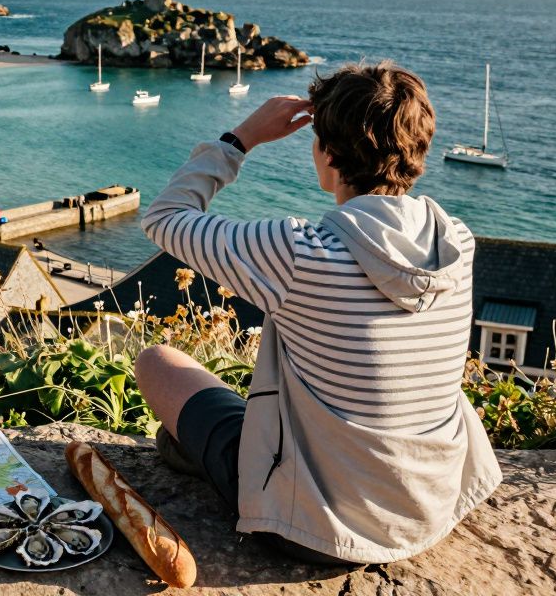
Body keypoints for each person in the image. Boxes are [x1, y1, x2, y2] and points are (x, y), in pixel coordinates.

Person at [134, 61, 500, 566]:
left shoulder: (300, 251)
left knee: (158, 361)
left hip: (313, 527)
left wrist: (239, 139)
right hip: (429, 510)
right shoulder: (455, 241)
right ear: (419, 149)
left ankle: (202, 455)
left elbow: (165, 217)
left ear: (328, 156)